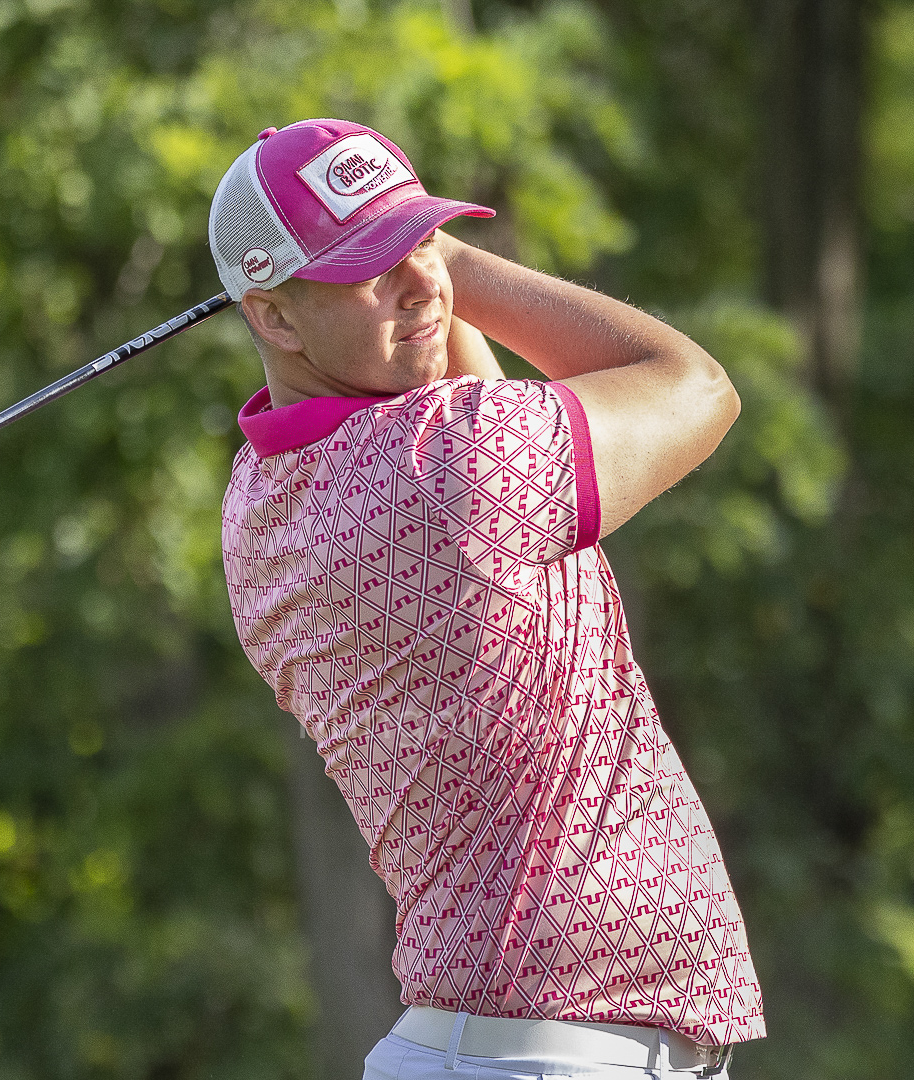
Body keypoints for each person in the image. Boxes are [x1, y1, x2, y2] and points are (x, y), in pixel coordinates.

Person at [214, 119, 765, 1080]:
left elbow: (468, 398)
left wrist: (412, 267)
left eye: (422, 242)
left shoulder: (258, 505)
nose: (419, 282)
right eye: (371, 267)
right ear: (275, 318)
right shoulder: (453, 465)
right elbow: (698, 387)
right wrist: (460, 262)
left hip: (507, 1050)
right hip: (556, 1058)